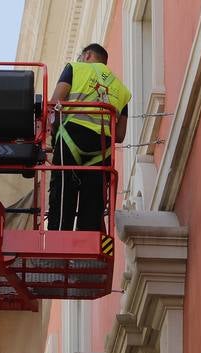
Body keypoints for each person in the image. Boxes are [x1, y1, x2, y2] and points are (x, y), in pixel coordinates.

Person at [47, 43, 130, 231]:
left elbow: (55, 102)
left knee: (63, 190)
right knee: (93, 198)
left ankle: (58, 240)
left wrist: (54, 132)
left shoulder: (75, 68)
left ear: (87, 55)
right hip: (102, 147)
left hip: (71, 137)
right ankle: (88, 246)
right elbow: (120, 134)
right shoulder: (122, 90)